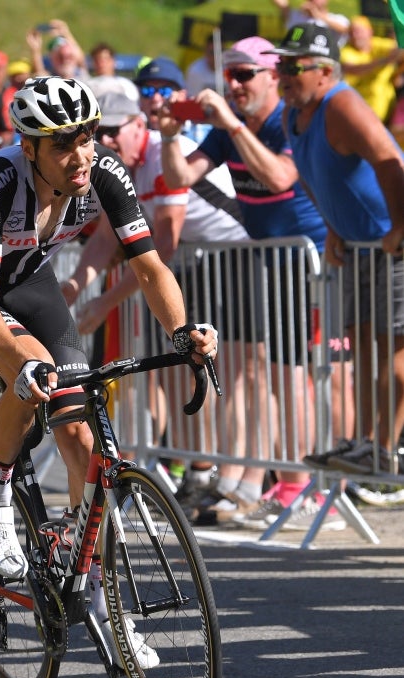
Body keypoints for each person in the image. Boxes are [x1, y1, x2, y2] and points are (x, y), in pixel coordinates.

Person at [0, 79, 217, 661]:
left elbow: (151, 266)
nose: (81, 154)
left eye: (88, 137)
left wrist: (183, 333)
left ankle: (108, 602)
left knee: (82, 434)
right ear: (29, 148)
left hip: (31, 280)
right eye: (63, 145)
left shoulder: (103, 173)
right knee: (31, 372)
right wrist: (21, 366)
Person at [158, 36, 336, 529]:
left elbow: (280, 177)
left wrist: (233, 125)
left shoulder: (283, 122)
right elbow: (178, 178)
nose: (233, 85)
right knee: (267, 376)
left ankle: (304, 490)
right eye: (228, 75)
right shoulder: (226, 132)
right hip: (273, 262)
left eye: (244, 75)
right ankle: (272, 485)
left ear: (272, 76)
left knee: (292, 377)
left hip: (313, 260)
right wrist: (172, 134)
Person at [268, 22, 404, 475]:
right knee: (362, 349)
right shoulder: (292, 113)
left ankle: (385, 448)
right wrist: (333, 228)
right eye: (280, 65)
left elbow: (390, 160)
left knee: (395, 354)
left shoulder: (340, 103)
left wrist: (400, 225)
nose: (283, 75)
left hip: (392, 245)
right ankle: (362, 443)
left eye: (293, 66)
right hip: (360, 247)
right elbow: (309, 176)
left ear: (324, 71)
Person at [340, 15, 402, 124]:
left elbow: (399, 50)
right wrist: (383, 62)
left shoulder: (377, 44)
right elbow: (354, 69)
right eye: (351, 32)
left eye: (359, 31)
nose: (355, 36)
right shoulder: (346, 51)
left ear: (370, 32)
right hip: (359, 111)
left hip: (387, 109)